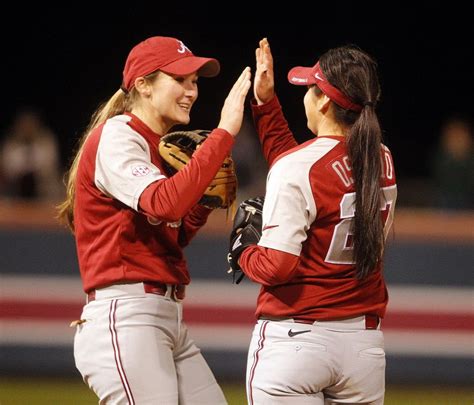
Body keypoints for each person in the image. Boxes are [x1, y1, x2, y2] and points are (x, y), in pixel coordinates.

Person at [57, 36, 251, 404]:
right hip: (127, 315)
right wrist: (224, 131)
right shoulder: (118, 136)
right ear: (143, 85)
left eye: (194, 82)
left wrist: (204, 201)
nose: (191, 91)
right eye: (179, 80)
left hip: (166, 316)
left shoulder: (161, 146)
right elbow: (165, 205)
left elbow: (171, 232)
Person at [234, 38, 397, 404]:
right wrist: (266, 103)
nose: (305, 96)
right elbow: (306, 167)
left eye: (310, 88)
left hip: (296, 341)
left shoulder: (299, 167)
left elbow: (276, 266)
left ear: (324, 100)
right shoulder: (382, 159)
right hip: (363, 349)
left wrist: (245, 249)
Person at [0, 108, 63, 200]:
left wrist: (34, 168)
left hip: (42, 187)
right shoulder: (11, 144)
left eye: (30, 125)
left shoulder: (47, 141)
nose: (27, 129)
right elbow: (6, 167)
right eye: (24, 125)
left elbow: (50, 166)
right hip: (15, 188)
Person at [432, 116, 474, 210]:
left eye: (460, 136)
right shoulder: (443, 158)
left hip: (468, 199)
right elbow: (441, 177)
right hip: (447, 200)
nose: (457, 140)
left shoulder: (470, 159)